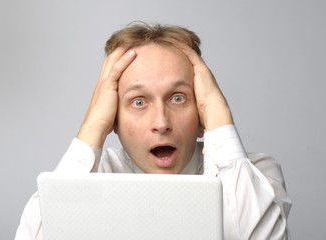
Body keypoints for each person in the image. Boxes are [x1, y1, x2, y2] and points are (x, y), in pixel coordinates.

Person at [15, 22, 292, 239]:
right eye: (138, 102)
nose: (161, 122)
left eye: (178, 98)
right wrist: (92, 127)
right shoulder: (94, 177)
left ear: (201, 116)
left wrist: (218, 114)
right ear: (113, 118)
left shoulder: (255, 174)